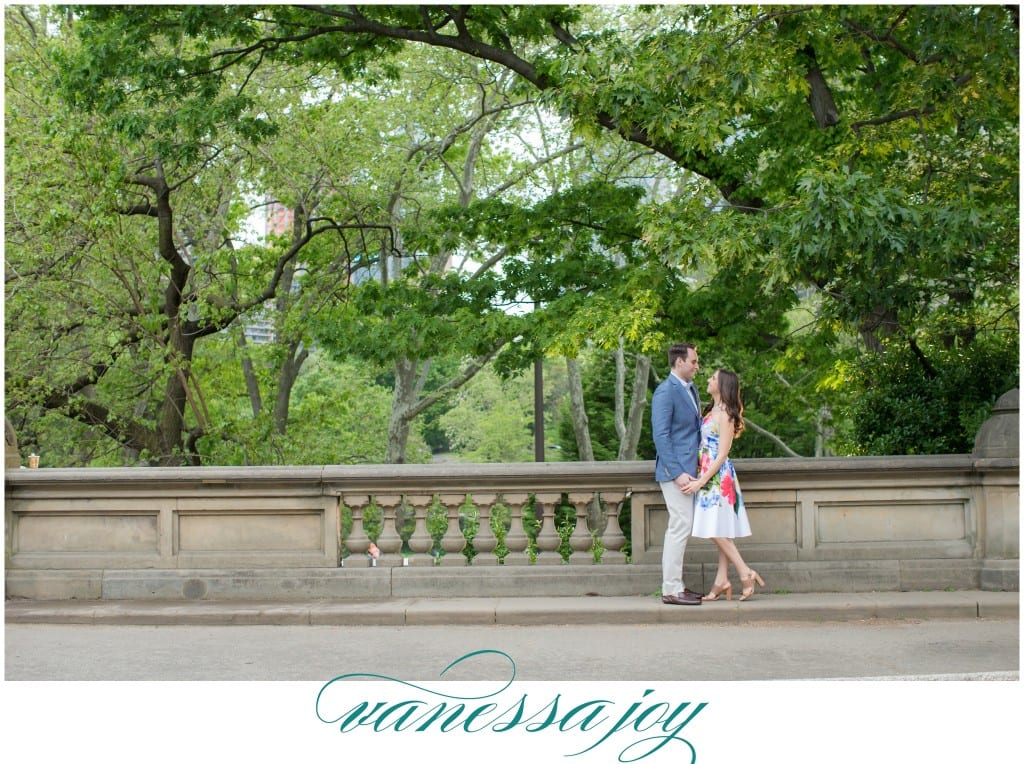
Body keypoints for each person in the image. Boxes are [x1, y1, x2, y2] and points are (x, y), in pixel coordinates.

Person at [683, 368, 765, 601]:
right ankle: (721, 580)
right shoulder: (712, 410)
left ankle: (744, 571)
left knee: (713, 529)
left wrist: (701, 481)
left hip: (717, 477)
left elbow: (722, 454)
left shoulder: (727, 413)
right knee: (719, 529)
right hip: (707, 474)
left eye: (712, 378)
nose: (708, 380)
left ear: (722, 385)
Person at [651, 342, 704, 606]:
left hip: (692, 471)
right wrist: (677, 473)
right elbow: (661, 437)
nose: (697, 366)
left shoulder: (691, 389)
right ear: (679, 362)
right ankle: (671, 590)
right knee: (679, 526)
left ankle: (678, 586)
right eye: (693, 361)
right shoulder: (665, 392)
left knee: (682, 526)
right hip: (676, 473)